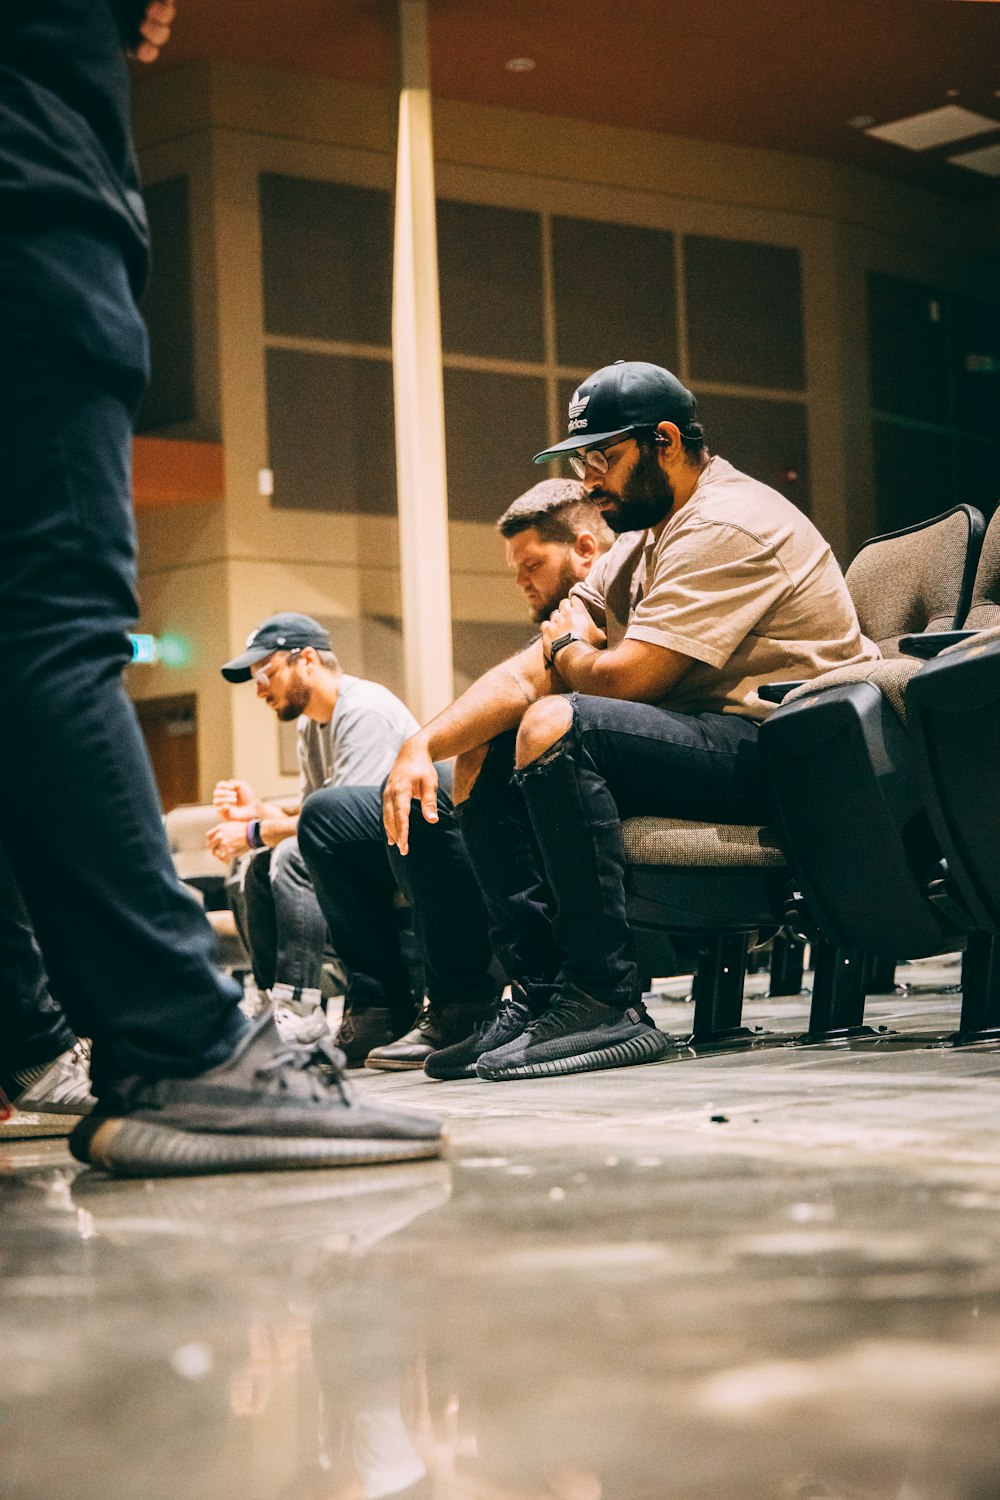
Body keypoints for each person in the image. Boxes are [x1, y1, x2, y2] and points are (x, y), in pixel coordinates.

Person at [0, 0, 442, 1174]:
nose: (257, 686)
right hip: (26, 199)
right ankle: (184, 1047)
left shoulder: (359, 714)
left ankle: (29, 1041)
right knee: (45, 626)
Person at [383, 360, 879, 1082]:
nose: (589, 480)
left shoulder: (728, 521)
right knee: (485, 745)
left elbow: (627, 678)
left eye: (604, 457)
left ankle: (605, 999)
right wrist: (421, 744)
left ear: (667, 441)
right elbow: (535, 666)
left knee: (558, 723)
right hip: (714, 744)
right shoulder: (646, 541)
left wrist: (568, 651)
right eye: (585, 460)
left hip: (796, 755)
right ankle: (543, 991)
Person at [298, 479, 615, 1076]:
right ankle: (377, 1004)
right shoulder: (574, 614)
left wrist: (428, 749)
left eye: (533, 565)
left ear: (584, 549)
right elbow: (521, 679)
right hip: (547, 756)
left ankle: (465, 1000)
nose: (522, 580)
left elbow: (546, 688)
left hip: (592, 760)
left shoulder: (617, 591)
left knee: (435, 789)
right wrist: (420, 745)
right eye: (516, 568)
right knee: (328, 819)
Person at [210, 611, 419, 1047]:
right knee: (258, 865)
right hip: (364, 847)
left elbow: (342, 824)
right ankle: (278, 1003)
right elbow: (315, 808)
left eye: (266, 673)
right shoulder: (310, 724)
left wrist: (254, 830)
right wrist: (260, 810)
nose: (258, 688)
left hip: (409, 850)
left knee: (288, 855)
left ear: (306, 659)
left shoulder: (365, 711)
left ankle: (303, 1006)